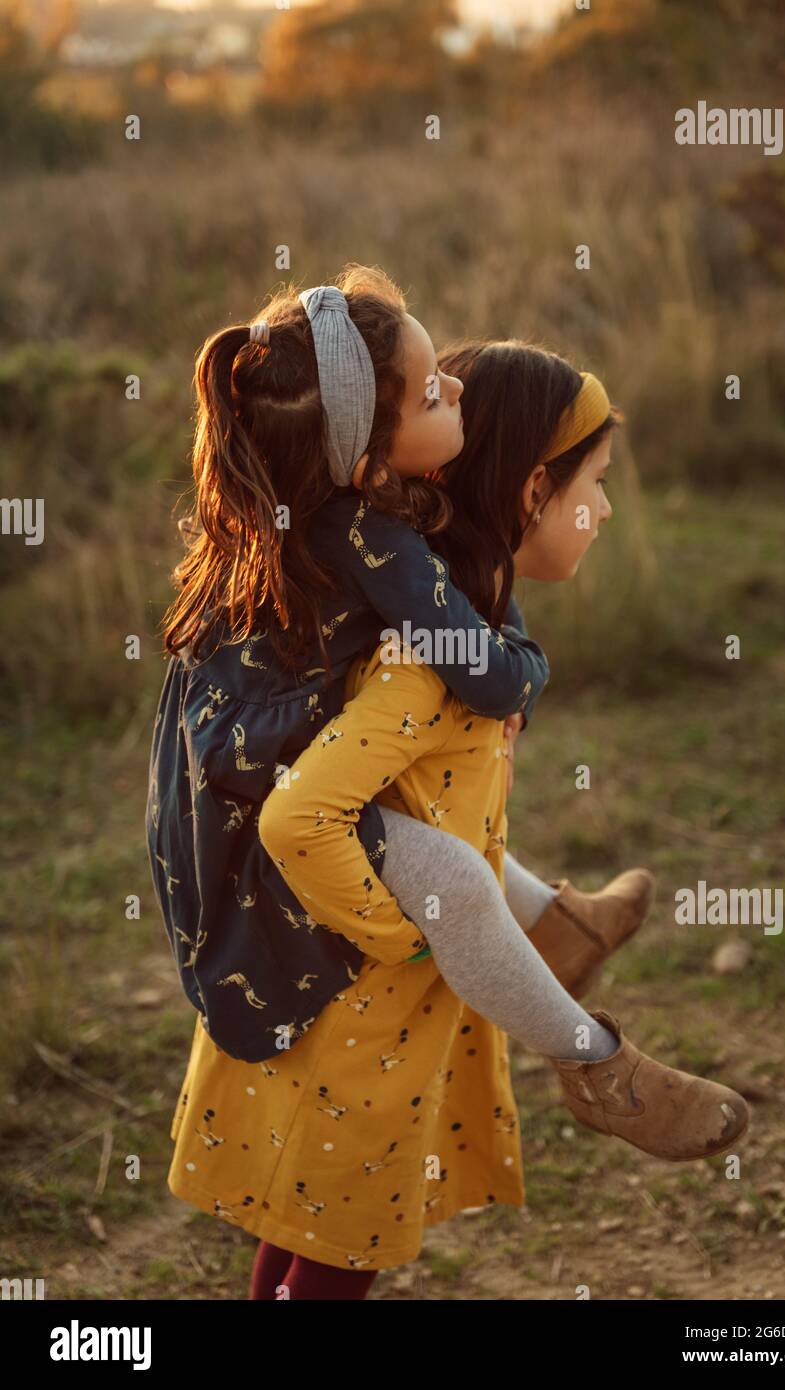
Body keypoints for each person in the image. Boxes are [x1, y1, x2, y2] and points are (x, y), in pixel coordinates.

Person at [164, 325, 749, 1299]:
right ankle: (599, 1062)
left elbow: (430, 793)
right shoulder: (422, 666)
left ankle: (553, 927)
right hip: (359, 1003)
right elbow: (301, 819)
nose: (603, 506)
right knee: (340, 1243)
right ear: (530, 493)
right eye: (593, 484)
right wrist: (400, 938)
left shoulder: (437, 605)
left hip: (336, 996)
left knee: (307, 1221)